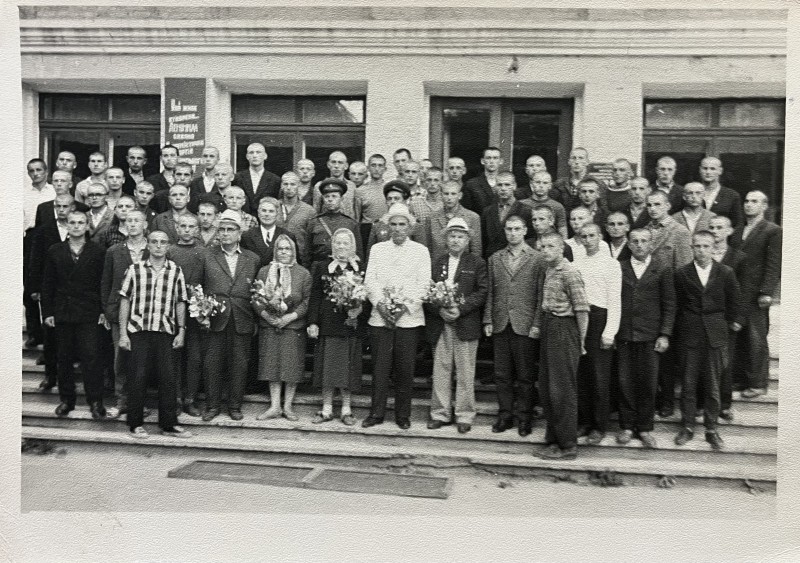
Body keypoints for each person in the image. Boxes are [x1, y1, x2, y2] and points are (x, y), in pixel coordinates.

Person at [363, 203, 431, 429]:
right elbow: (370, 280)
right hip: (380, 318)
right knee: (380, 368)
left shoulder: (420, 251)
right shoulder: (378, 249)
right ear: (387, 226)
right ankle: (377, 413)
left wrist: (402, 308)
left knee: (405, 369)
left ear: (410, 227)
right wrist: (381, 306)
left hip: (408, 319)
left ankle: (403, 415)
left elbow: (423, 285)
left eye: (403, 224)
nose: (398, 229)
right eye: (394, 224)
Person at [118, 229, 191, 439]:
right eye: (154, 242)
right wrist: (123, 333)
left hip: (165, 331)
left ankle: (168, 424)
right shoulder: (135, 270)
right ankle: (135, 424)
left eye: (163, 242)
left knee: (168, 379)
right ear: (147, 245)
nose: (158, 246)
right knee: (137, 377)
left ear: (168, 246)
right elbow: (125, 301)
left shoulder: (175, 271)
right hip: (139, 331)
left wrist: (181, 331)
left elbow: (180, 302)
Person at [673, 231, 742, 450]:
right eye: (697, 246)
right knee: (689, 384)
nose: (701, 250)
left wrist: (729, 325)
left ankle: (712, 429)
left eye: (706, 246)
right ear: (691, 248)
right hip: (690, 335)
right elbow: (677, 305)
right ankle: (688, 426)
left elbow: (735, 302)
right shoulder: (682, 274)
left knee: (713, 386)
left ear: (714, 248)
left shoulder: (725, 272)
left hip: (715, 335)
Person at [40, 210, 107, 419]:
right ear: (67, 225)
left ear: (87, 225)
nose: (76, 226)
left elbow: (103, 284)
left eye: (81, 222)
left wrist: (103, 311)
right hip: (63, 312)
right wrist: (48, 312)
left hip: (89, 311)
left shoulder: (97, 251)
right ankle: (66, 400)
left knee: (91, 357)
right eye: (72, 222)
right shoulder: (55, 251)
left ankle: (95, 401)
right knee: (64, 358)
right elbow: (47, 284)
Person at [425, 218, 488, 434]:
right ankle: (440, 413)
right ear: (445, 238)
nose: (455, 240)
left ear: (468, 239)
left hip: (465, 322)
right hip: (441, 322)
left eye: (460, 236)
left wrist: (460, 309)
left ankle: (464, 414)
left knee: (465, 370)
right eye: (452, 236)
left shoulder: (476, 263)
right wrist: (440, 309)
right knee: (441, 369)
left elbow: (482, 292)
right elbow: (427, 290)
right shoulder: (437, 262)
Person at [482, 214, 542, 436]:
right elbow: (491, 292)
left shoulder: (537, 258)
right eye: (509, 229)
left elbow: (540, 294)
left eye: (517, 229)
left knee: (525, 375)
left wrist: (537, 323)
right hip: (501, 322)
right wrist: (488, 318)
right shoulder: (495, 258)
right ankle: (505, 415)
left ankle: (524, 417)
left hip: (525, 324)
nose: (513, 233)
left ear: (525, 230)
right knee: (502, 374)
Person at [616, 228, 675, 448]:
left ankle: (645, 428)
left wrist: (665, 334)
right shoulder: (620, 268)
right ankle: (627, 426)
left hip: (651, 336)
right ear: (629, 244)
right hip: (624, 334)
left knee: (648, 384)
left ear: (651, 244)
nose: (639, 245)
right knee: (625, 381)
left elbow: (670, 304)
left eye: (644, 241)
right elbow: (614, 301)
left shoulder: (662, 268)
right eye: (635, 241)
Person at [200, 210, 261, 421]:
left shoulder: (252, 259)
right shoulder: (207, 255)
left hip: (242, 318)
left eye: (230, 229)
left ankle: (235, 406)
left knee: (239, 364)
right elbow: (199, 287)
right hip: (215, 318)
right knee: (212, 364)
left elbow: (256, 290)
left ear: (239, 233)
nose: (225, 233)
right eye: (222, 229)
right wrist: (202, 311)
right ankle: (212, 406)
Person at [533, 233, 589, 460]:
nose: (545, 250)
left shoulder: (570, 273)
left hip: (564, 331)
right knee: (547, 388)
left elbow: (582, 310)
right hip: (549, 327)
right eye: (542, 246)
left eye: (551, 246)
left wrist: (581, 342)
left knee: (562, 390)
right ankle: (553, 440)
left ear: (561, 249)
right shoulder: (548, 270)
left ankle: (568, 445)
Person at [307, 228, 365, 425]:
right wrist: (313, 322)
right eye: (338, 243)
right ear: (333, 245)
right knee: (328, 367)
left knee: (347, 369)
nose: (341, 246)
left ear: (352, 246)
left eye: (345, 243)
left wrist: (359, 310)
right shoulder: (324, 267)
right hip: (328, 325)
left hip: (350, 325)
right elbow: (315, 296)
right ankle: (326, 409)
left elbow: (366, 295)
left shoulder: (359, 268)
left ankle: (347, 410)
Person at [253, 234, 312, 421]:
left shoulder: (303, 273)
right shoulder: (264, 271)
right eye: (280, 248)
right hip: (270, 326)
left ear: (293, 251)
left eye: (288, 248)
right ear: (275, 251)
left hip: (292, 327)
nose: (284, 252)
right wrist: (267, 316)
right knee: (272, 366)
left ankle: (288, 406)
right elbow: (256, 298)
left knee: (290, 366)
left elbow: (306, 301)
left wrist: (290, 317)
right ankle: (274, 405)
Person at [645, 189, 692, 418]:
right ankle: (650, 398)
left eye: (657, 204)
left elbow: (684, 270)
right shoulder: (645, 231)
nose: (652, 209)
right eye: (649, 205)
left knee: (666, 356)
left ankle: (666, 401)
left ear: (667, 206)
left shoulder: (680, 232)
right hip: (647, 299)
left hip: (669, 299)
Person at [730, 191, 782, 398]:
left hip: (756, 293)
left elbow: (774, 263)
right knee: (740, 337)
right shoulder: (737, 231)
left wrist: (767, 292)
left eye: (754, 201)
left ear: (764, 206)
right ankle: (742, 379)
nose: (749, 205)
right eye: (747, 201)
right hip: (737, 290)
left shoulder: (772, 230)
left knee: (756, 338)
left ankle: (758, 383)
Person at [573, 223, 621, 445]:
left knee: (599, 376)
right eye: (584, 236)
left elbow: (615, 301)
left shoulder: (611, 264)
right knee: (581, 374)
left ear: (600, 236)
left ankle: (599, 425)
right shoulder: (576, 264)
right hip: (579, 320)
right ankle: (584, 421)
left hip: (600, 319)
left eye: (592, 235)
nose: (588, 239)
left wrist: (609, 331)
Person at [101, 209, 149, 419]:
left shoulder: (153, 249)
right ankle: (121, 401)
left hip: (146, 313)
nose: (132, 224)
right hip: (119, 313)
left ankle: (139, 402)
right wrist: (107, 310)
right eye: (129, 221)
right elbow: (106, 283)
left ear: (145, 225)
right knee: (120, 359)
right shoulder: (114, 251)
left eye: (136, 220)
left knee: (142, 360)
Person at [28, 193, 75, 391]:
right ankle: (50, 376)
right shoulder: (44, 231)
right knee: (50, 334)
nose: (62, 210)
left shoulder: (81, 229)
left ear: (73, 207)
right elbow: (35, 261)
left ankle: (70, 376)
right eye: (59, 206)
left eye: (66, 206)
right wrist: (34, 288)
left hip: (74, 291)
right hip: (52, 290)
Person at [707, 215, 749, 419]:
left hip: (726, 319)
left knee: (724, 363)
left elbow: (744, 292)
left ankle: (724, 405)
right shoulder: (702, 254)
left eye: (719, 227)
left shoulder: (738, 257)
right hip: (705, 318)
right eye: (712, 227)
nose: (715, 231)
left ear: (729, 231)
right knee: (704, 362)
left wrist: (738, 318)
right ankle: (701, 403)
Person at [166, 214, 207, 417]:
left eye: (192, 226)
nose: (187, 230)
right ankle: (174, 399)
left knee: (195, 358)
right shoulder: (170, 251)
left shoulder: (204, 252)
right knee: (173, 358)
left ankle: (190, 398)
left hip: (196, 313)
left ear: (197, 229)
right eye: (183, 226)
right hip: (171, 312)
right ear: (177, 228)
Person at [24, 158, 55, 349]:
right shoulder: (23, 194)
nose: (36, 174)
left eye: (39, 170)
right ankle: (35, 334)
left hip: (50, 236)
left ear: (46, 171)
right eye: (32, 171)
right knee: (30, 288)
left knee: (48, 287)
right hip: (30, 237)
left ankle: (49, 336)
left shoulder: (54, 191)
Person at [305, 178, 363, 267]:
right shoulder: (314, 223)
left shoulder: (351, 224)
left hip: (343, 272)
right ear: (323, 199)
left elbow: (358, 254)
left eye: (334, 196)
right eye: (327, 196)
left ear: (341, 198)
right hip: (318, 269)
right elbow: (307, 254)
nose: (330, 200)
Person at [425, 180, 482, 261]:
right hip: (438, 267)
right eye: (446, 194)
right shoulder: (431, 218)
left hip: (463, 266)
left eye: (453, 194)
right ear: (441, 195)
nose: (449, 198)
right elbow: (428, 247)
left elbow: (476, 249)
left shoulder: (472, 217)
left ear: (460, 195)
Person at [480, 171, 532, 259]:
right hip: (492, 259)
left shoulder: (526, 210)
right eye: (499, 185)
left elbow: (530, 237)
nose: (503, 188)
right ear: (495, 188)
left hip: (517, 258)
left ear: (514, 186)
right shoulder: (487, 211)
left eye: (507, 185)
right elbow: (484, 240)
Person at [241, 197, 297, 267]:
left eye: (271, 211)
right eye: (264, 211)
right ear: (258, 213)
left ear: (277, 214)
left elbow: (295, 263)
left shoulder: (287, 235)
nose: (267, 214)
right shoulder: (247, 236)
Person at [312, 151, 360, 221]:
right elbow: (316, 212)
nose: (336, 166)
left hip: (347, 227)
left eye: (340, 163)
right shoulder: (319, 186)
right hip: (327, 226)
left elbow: (356, 212)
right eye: (333, 162)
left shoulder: (352, 186)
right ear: (328, 164)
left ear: (346, 166)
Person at [234, 142, 281, 213]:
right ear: (247, 156)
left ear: (265, 156)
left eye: (258, 152)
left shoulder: (275, 180)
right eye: (251, 152)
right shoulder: (238, 177)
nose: (254, 155)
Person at [520, 171, 567, 238]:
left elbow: (563, 233)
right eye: (538, 182)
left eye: (545, 183)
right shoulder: (521, 205)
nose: (541, 186)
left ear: (550, 186)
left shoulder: (557, 207)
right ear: (531, 184)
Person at [699, 157, 742, 227]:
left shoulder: (732, 196)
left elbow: (738, 224)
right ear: (700, 170)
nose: (708, 172)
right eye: (705, 168)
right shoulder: (692, 193)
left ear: (720, 171)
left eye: (712, 169)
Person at [463, 147, 503, 214]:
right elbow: (467, 212)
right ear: (482, 161)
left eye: (495, 158)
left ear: (501, 161)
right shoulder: (472, 184)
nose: (491, 161)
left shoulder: (506, 183)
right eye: (488, 158)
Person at [357, 154, 390, 228]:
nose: (377, 169)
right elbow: (357, 217)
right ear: (368, 168)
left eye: (380, 165)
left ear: (385, 169)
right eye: (373, 165)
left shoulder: (390, 188)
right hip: (367, 229)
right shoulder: (360, 191)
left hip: (386, 228)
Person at [408, 166, 444, 233]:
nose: (432, 183)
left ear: (441, 182)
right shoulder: (415, 203)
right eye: (429, 180)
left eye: (436, 180)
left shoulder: (447, 203)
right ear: (424, 181)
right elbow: (411, 229)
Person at [146, 144, 180, 212]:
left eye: (172, 155)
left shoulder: (184, 179)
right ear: (161, 158)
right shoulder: (151, 180)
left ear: (178, 158)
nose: (169, 159)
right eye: (165, 156)